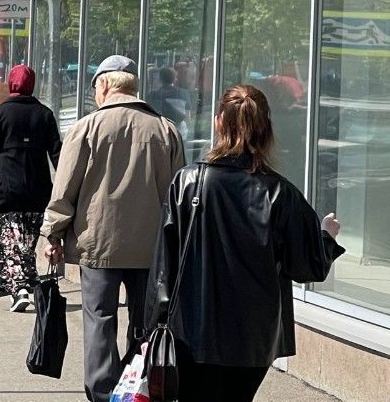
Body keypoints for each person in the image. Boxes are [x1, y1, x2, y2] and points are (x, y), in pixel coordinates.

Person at [145, 85, 343, 402]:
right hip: (254, 338)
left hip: (192, 332)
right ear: (266, 129)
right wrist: (326, 237)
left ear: (218, 123)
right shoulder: (282, 193)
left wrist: (151, 330)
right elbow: (306, 268)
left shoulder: (187, 182)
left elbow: (163, 268)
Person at [40, 55, 186, 402]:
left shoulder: (86, 128)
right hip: (150, 249)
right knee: (145, 324)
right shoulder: (165, 129)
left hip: (98, 245)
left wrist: (53, 233)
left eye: (95, 88)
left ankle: (103, 392)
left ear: (105, 85)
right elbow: (177, 193)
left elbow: (64, 190)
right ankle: (139, 387)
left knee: (100, 322)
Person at [0, 64, 61, 312]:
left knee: (11, 240)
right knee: (28, 240)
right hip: (37, 189)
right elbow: (56, 153)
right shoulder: (44, 114)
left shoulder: (0, 113)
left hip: (8, 187)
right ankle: (29, 282)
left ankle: (20, 288)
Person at [145, 65, 191, 136]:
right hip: (180, 132)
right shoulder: (184, 94)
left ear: (160, 79)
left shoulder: (153, 95)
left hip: (159, 131)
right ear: (175, 79)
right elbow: (187, 117)